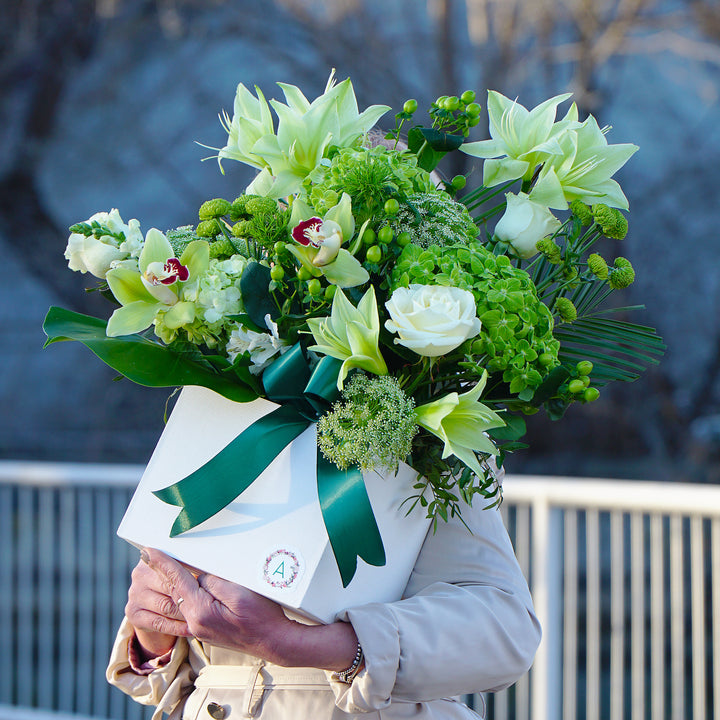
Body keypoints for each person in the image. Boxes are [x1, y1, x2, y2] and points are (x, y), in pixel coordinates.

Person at [106, 462, 541, 720]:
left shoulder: (432, 423)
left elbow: (505, 630)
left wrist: (298, 644)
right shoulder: (223, 405)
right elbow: (164, 682)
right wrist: (155, 629)